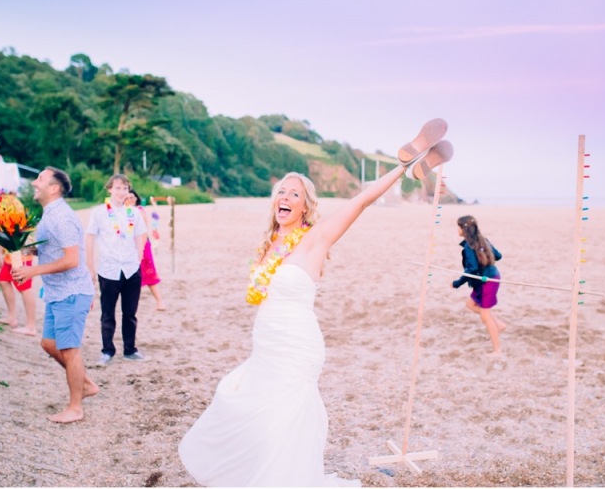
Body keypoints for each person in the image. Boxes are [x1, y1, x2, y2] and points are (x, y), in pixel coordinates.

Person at [178, 120, 453, 486]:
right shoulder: (268, 247)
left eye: (294, 194)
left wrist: (402, 166)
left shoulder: (315, 240)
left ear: (306, 207)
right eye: (281, 192)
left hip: (296, 348)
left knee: (282, 421)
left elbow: (362, 200)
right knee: (247, 408)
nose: (285, 199)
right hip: (265, 348)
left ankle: (414, 161)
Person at [12, 167, 97, 423]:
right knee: (48, 344)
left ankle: (75, 408)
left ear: (54, 188)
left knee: (70, 350)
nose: (34, 183)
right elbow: (56, 250)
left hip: (71, 293)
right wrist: (30, 252)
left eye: (39, 179)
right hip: (56, 292)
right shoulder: (49, 214)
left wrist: (34, 271)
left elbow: (72, 260)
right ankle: (87, 384)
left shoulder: (61, 218)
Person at [86, 175, 149, 365]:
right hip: (109, 268)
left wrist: (139, 256)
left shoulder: (134, 213)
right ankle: (107, 350)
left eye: (125, 188)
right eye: (118, 188)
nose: (122, 192)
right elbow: (89, 238)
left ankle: (130, 349)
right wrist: (91, 266)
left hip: (131, 268)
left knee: (130, 312)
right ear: (110, 189)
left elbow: (141, 234)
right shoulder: (99, 212)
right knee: (108, 313)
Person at [452, 215, 506, 355]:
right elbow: (498, 256)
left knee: (485, 316)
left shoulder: (470, 246)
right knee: (471, 304)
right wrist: (485, 256)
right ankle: (499, 325)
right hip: (486, 279)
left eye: (458, 226)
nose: (456, 229)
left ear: (464, 229)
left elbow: (471, 269)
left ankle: (497, 350)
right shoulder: (482, 240)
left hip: (488, 282)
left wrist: (457, 283)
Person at [125, 190, 166, 310]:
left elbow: (142, 229)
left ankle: (160, 301)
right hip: (127, 245)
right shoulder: (123, 211)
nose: (130, 200)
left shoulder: (139, 210)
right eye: (127, 198)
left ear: (136, 198)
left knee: (148, 273)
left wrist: (141, 249)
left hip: (141, 244)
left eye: (132, 197)